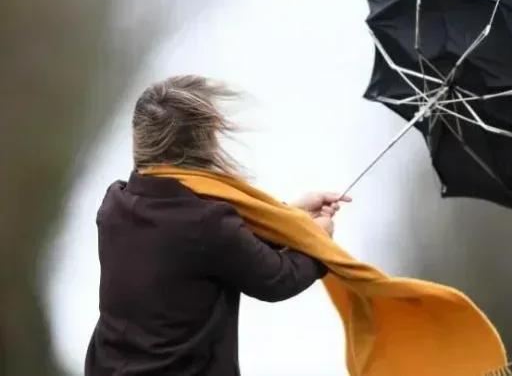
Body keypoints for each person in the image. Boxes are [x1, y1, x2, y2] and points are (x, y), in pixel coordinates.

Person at [84, 75, 349, 375]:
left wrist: (292, 217)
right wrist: (318, 242)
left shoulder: (114, 204)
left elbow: (224, 249)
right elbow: (277, 277)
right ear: (205, 141)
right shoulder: (207, 223)